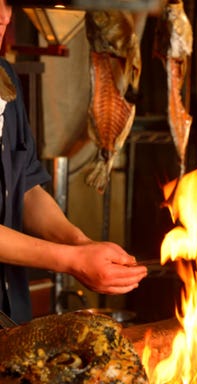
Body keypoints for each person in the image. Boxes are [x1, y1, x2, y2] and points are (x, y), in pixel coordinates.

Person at [0, 0, 147, 324]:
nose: (4, 16)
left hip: (11, 314)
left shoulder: (5, 75)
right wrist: (73, 259)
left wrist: (79, 241)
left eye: (8, 3)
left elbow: (26, 187)